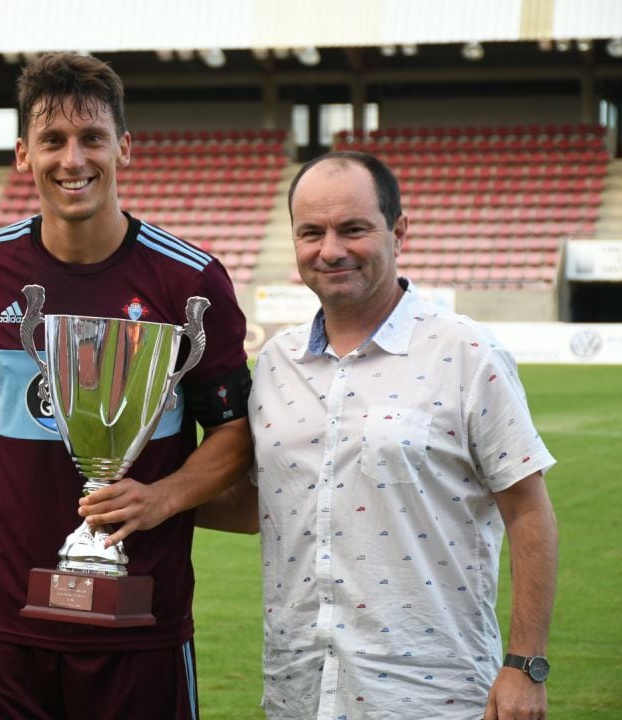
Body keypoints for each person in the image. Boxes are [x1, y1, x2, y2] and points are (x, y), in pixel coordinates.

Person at [0, 52, 253, 719]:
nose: (74, 159)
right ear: (22, 155)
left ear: (123, 148)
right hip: (11, 619)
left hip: (141, 620)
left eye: (92, 138)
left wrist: (161, 497)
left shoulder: (191, 283)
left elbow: (236, 433)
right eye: (53, 141)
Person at [197, 150, 559, 720]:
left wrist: (525, 666)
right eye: (311, 232)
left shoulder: (466, 353)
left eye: (353, 228)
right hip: (300, 689)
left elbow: (529, 513)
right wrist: (146, 494)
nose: (331, 249)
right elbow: (266, 506)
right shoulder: (274, 365)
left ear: (399, 231)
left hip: (434, 694)